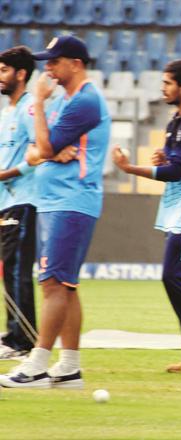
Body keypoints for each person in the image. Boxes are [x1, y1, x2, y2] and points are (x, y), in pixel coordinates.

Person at [0, 35, 110, 389]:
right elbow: (35, 152)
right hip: (56, 201)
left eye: (54, 60)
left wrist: (39, 106)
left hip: (70, 201)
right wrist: (45, 149)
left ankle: (36, 364)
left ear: (75, 63)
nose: (47, 67)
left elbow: (42, 146)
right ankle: (69, 367)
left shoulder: (85, 101)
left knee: (51, 283)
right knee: (65, 285)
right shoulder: (68, 99)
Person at [112, 59, 181, 375]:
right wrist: (164, 157)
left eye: (167, 83)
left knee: (176, 277)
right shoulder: (177, 121)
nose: (163, 89)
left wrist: (130, 168)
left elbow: (176, 172)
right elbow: (174, 161)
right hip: (177, 210)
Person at [0, 46, 37, 360]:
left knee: (16, 268)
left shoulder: (29, 109)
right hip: (6, 201)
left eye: (3, 71)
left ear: (20, 73)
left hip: (24, 199)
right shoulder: (7, 111)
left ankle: (22, 340)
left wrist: (5, 174)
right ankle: (15, 331)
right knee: (9, 267)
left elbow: (39, 154)